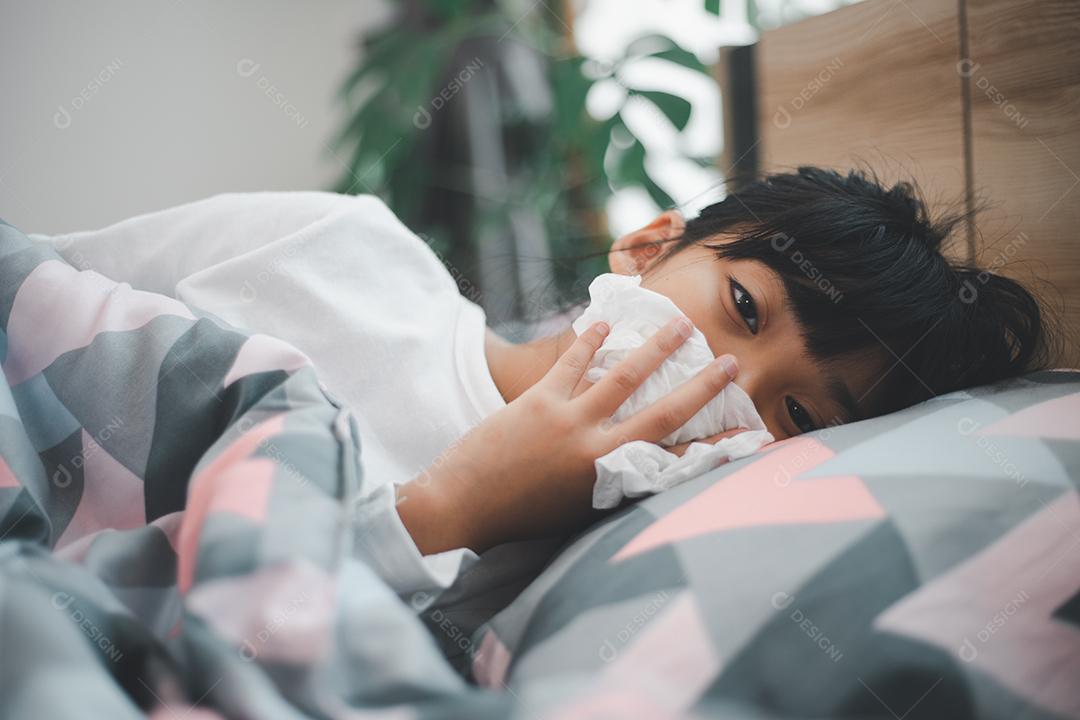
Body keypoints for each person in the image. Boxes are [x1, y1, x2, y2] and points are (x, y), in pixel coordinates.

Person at [36, 167, 1049, 594]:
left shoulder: (573, 563)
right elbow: (29, 288)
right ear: (651, 247)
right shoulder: (337, 249)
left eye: (792, 412)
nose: (727, 377)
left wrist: (445, 516)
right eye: (743, 307)